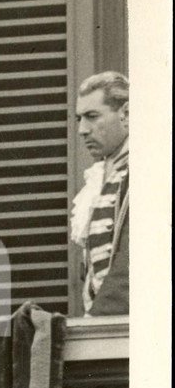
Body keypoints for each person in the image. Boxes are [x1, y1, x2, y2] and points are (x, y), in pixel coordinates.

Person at [70, 72, 130, 316]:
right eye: (79, 119)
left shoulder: (147, 170)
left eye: (92, 117)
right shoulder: (100, 177)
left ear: (125, 114)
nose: (83, 130)